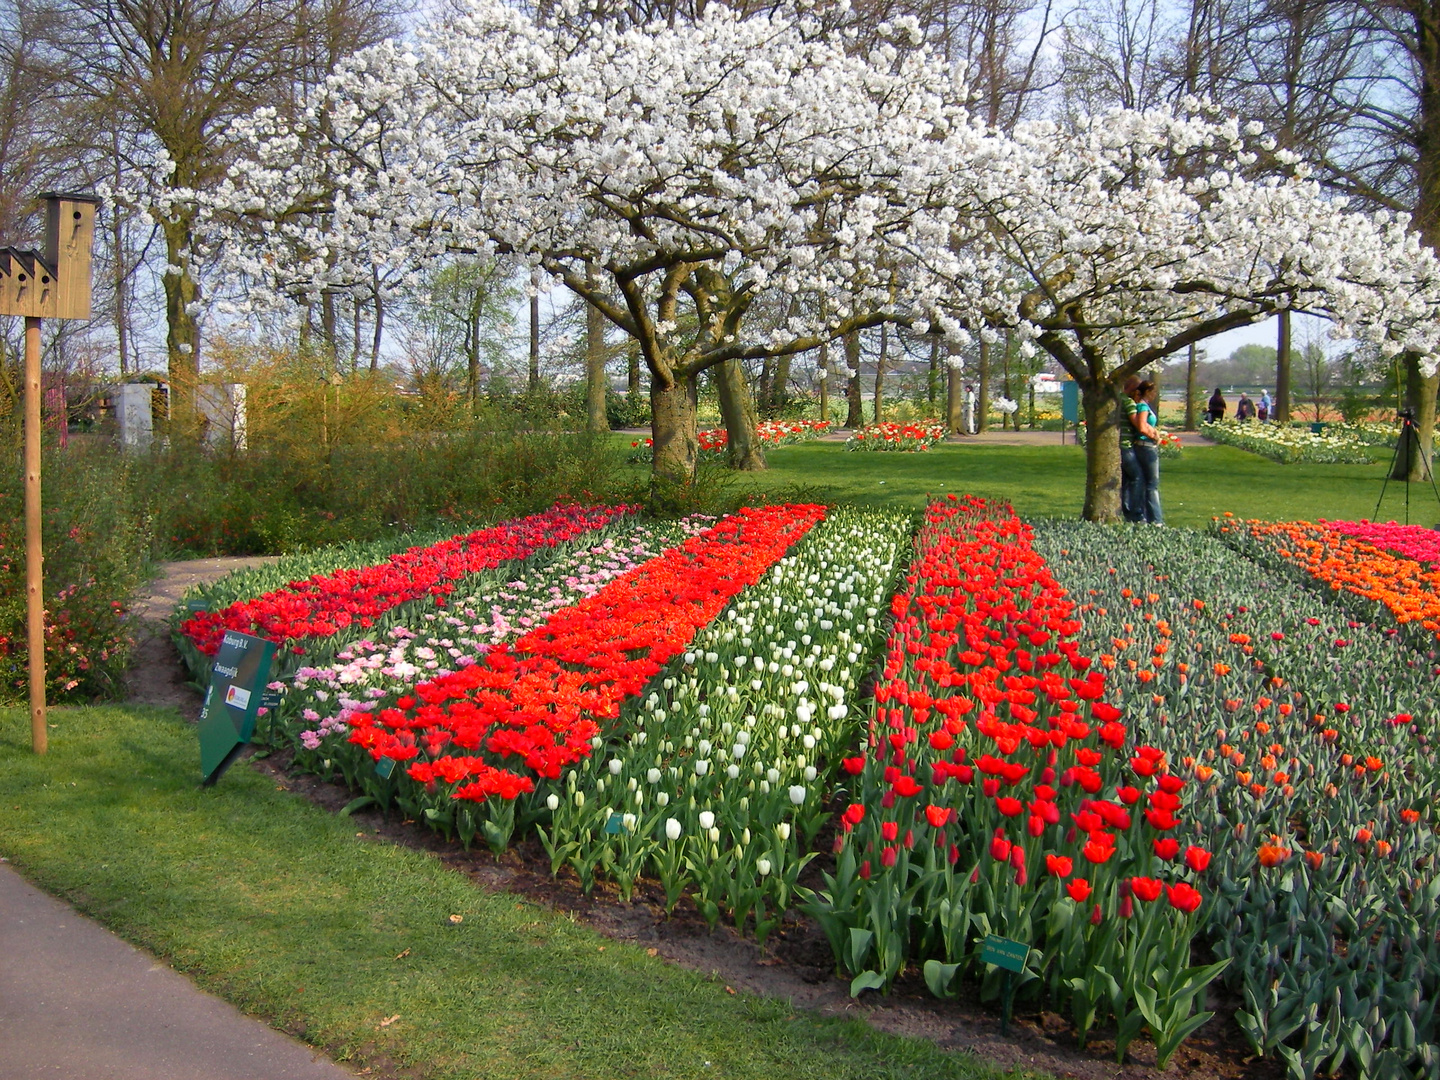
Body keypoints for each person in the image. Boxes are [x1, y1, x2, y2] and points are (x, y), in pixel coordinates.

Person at [1125, 378, 1163, 524]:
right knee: (1152, 484)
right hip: (1146, 446)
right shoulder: (1142, 407)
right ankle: (1156, 519)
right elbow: (1141, 426)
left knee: (1147, 483)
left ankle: (1146, 516)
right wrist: (1154, 436)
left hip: (1145, 445)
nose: (1154, 395)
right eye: (1153, 392)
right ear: (1147, 391)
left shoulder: (1144, 406)